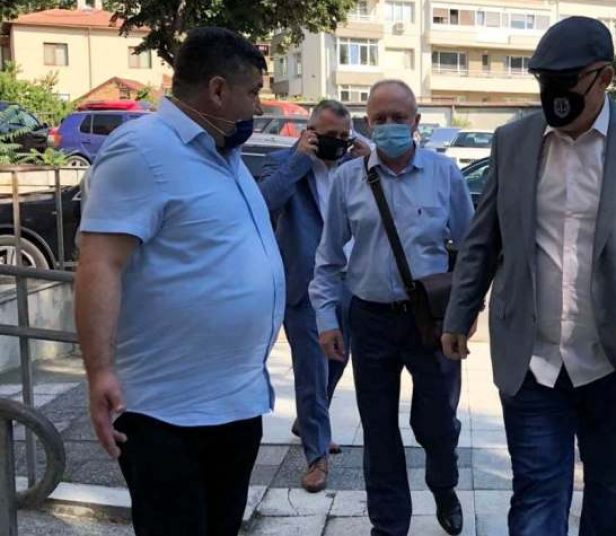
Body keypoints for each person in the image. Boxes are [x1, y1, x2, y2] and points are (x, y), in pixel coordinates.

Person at [441, 17, 616, 536]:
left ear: (604, 77)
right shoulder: (512, 141)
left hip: (615, 361)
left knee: (611, 495)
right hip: (532, 361)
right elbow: (484, 236)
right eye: (545, 81)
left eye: (568, 81)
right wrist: (460, 312)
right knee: (536, 496)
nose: (555, 93)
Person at [74, 27, 283, 536]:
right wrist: (99, 372)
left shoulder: (223, 155)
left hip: (234, 404)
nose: (257, 107)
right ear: (217, 90)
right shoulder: (141, 150)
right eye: (253, 92)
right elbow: (100, 264)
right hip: (167, 415)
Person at [310, 79, 474, 536]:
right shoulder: (348, 179)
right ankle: (389, 525)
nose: (389, 126)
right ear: (367, 123)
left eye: (398, 118)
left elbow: (472, 251)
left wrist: (464, 316)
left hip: (430, 324)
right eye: (379, 118)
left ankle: (444, 485)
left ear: (416, 122)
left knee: (437, 424)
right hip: (371, 321)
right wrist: (326, 319)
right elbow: (328, 257)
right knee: (379, 430)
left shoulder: (445, 174)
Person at [256, 99, 369, 493]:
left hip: (350, 281)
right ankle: (317, 454)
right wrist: (299, 161)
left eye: (343, 136)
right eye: (327, 135)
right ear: (309, 131)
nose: (336, 142)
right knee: (312, 369)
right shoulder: (283, 162)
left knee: (338, 359)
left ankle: (307, 421)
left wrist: (370, 164)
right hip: (304, 285)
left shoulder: (357, 167)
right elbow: (262, 204)